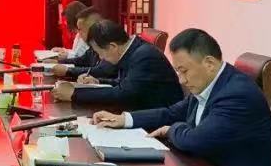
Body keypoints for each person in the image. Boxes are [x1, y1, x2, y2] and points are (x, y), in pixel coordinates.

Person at [92, 28, 271, 166]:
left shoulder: (236, 94)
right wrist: (124, 119)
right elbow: (171, 113)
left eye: (184, 71)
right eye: (178, 72)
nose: (181, 80)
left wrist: (171, 130)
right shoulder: (209, 84)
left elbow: (196, 140)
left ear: (209, 63)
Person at [52, 19, 183, 110]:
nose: (101, 58)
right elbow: (126, 84)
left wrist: (74, 94)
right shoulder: (133, 49)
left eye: (100, 53)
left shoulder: (144, 56)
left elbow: (123, 94)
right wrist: (98, 81)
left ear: (112, 46)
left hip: (159, 123)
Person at [50, 7, 114, 81]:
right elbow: (81, 60)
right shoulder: (92, 46)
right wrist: (58, 62)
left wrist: (68, 70)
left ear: (93, 28)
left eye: (81, 30)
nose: (79, 34)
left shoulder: (108, 45)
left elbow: (100, 71)